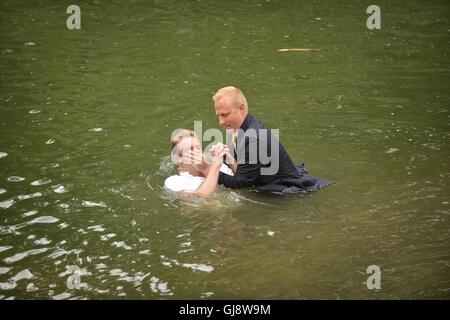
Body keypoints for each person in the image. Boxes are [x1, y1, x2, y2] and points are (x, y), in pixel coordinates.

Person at [211, 86, 333, 193]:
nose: (220, 122)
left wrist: (208, 171)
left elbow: (242, 185)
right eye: (218, 116)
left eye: (225, 115)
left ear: (241, 109)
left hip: (286, 192)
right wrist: (227, 157)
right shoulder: (239, 129)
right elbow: (242, 172)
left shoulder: (254, 137)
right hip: (267, 185)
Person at [164, 129, 233, 197]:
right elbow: (202, 200)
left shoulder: (221, 166)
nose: (196, 152)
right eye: (190, 149)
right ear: (178, 158)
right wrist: (214, 166)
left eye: (198, 147)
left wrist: (229, 158)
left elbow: (240, 182)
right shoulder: (174, 182)